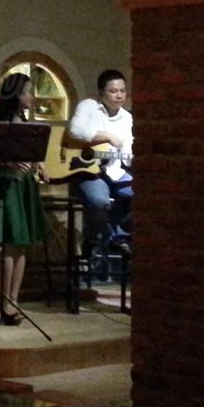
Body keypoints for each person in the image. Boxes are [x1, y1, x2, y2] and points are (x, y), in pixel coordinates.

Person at [0, 72, 46, 325]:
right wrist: (8, 162)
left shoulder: (27, 122)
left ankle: (14, 300)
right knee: (8, 245)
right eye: (27, 92)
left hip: (25, 184)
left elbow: (33, 152)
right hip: (8, 184)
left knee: (21, 244)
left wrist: (39, 163)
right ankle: (3, 302)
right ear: (15, 95)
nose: (31, 97)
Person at [63, 68, 134, 269]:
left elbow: (128, 153)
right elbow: (75, 130)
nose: (119, 95)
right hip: (86, 172)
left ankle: (118, 237)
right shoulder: (89, 107)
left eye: (122, 91)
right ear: (101, 93)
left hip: (115, 171)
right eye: (113, 91)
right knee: (99, 201)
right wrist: (106, 136)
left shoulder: (128, 119)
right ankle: (92, 241)